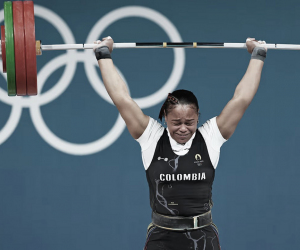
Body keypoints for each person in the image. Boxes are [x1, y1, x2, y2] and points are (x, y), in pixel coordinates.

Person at [93, 36, 267, 250]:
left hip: (203, 238)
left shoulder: (210, 136)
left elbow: (241, 99)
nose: (183, 128)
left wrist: (258, 54)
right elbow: (121, 98)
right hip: (162, 239)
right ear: (165, 118)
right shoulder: (151, 137)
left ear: (198, 118)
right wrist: (103, 54)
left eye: (190, 122)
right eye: (176, 122)